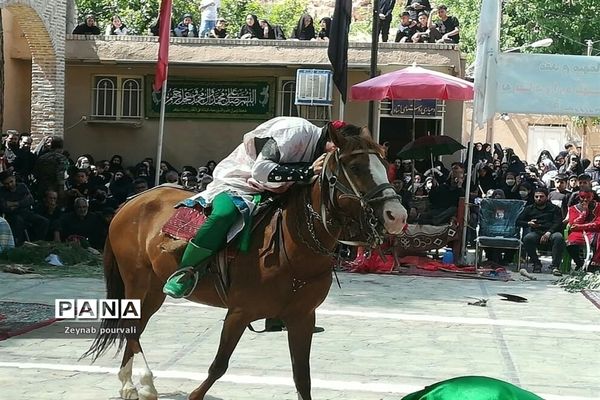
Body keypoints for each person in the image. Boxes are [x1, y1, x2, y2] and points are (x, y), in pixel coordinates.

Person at [163, 117, 360, 298]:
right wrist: (307, 171)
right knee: (225, 214)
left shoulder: (321, 153)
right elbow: (260, 170)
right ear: (333, 141)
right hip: (240, 180)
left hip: (279, 189)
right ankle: (184, 271)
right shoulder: (295, 131)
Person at [517, 187, 565, 273]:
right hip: (537, 232)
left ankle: (555, 266)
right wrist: (528, 223)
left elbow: (558, 223)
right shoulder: (529, 208)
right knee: (527, 238)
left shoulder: (554, 208)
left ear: (546, 197)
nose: (539, 199)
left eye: (541, 196)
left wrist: (548, 233)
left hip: (551, 232)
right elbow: (518, 221)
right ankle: (536, 263)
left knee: (559, 237)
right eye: (536, 197)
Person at [0, 171, 48, 245]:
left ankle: (38, 243)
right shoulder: (2, 191)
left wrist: (15, 204)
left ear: (14, 178)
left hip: (26, 212)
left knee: (44, 221)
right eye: (6, 184)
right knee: (18, 221)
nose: (10, 185)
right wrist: (22, 202)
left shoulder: (22, 186)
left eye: (11, 182)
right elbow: (4, 207)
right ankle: (19, 245)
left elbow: (30, 200)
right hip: (12, 216)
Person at [565, 189, 600, 272]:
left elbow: (598, 223)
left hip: (595, 231)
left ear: (593, 197)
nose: (585, 199)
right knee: (570, 243)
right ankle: (579, 263)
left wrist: (580, 226)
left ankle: (594, 264)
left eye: (588, 197)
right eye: (582, 197)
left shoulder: (599, 206)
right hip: (579, 232)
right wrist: (584, 212)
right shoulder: (573, 208)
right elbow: (573, 224)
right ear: (578, 197)